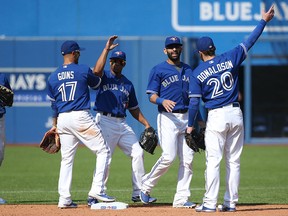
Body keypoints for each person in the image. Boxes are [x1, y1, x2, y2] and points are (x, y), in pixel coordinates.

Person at [186, 5, 275, 212]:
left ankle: (209, 204)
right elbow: (249, 41)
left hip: (216, 115)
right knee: (233, 161)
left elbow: (193, 103)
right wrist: (263, 20)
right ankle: (230, 203)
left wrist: (190, 127)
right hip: (236, 113)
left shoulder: (197, 73)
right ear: (213, 48)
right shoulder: (230, 57)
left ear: (200, 53)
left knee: (214, 161)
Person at [47, 40, 115, 209]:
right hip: (80, 116)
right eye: (79, 52)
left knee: (67, 159)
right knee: (103, 150)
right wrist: (105, 50)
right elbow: (98, 75)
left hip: (62, 119)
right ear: (75, 53)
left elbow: (54, 105)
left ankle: (64, 199)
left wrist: (55, 126)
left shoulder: (53, 76)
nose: (80, 54)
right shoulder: (82, 69)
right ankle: (97, 189)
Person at [140, 36, 205, 208]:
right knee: (168, 157)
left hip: (186, 119)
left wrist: (200, 121)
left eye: (177, 47)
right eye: (171, 47)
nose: (174, 49)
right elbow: (151, 96)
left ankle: (181, 199)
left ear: (181, 49)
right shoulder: (158, 69)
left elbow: (194, 100)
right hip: (168, 118)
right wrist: (162, 101)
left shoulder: (189, 70)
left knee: (188, 160)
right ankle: (145, 186)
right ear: (165, 50)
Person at [92, 35, 156, 203]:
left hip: (122, 123)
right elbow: (96, 71)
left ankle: (138, 192)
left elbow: (134, 109)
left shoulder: (128, 84)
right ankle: (95, 193)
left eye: (119, 61)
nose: (115, 63)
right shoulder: (103, 76)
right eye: (113, 60)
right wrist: (106, 50)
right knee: (105, 157)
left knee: (138, 152)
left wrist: (147, 125)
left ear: (124, 64)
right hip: (104, 121)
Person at [0, 73, 13, 204]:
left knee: (0, 155)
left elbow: (9, 100)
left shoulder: (2, 77)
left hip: (0, 120)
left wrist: (8, 100)